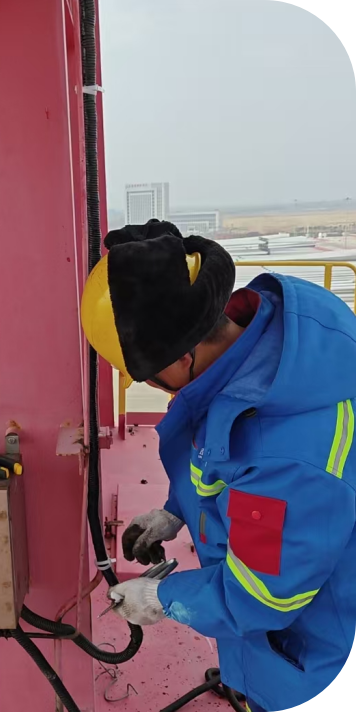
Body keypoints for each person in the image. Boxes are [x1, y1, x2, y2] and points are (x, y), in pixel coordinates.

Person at [81, 220, 356, 712]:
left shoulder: (286, 455)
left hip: (315, 651)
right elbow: (222, 454)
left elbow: (262, 598)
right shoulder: (268, 345)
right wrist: (175, 512)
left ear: (181, 358)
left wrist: (162, 598)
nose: (145, 383)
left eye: (144, 375)